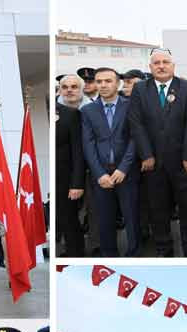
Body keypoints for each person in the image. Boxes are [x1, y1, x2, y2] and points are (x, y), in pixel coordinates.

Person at [128, 48, 187, 257]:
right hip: (153, 163)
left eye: (165, 62)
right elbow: (136, 123)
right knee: (158, 209)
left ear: (173, 66)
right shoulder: (140, 89)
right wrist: (146, 155)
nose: (161, 66)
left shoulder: (186, 88)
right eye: (156, 63)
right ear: (150, 67)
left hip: (181, 162)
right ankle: (164, 249)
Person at [81, 67, 139, 257]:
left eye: (108, 81)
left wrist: (123, 168)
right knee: (104, 218)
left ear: (118, 83)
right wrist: (99, 173)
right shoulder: (88, 110)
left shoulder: (131, 105)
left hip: (127, 171)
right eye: (99, 82)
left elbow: (134, 139)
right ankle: (109, 254)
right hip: (102, 173)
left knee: (131, 216)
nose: (103, 85)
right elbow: (88, 144)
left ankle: (133, 253)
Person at [55, 101, 85, 256]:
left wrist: (77, 183)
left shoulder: (70, 114)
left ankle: (75, 253)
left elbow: (78, 151)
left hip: (65, 180)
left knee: (69, 220)